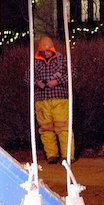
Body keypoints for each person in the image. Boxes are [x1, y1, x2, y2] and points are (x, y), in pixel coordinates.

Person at [32, 36, 74, 164]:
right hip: (42, 100)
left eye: (47, 50)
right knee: (46, 130)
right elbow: (26, 78)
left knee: (64, 129)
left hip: (60, 99)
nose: (45, 53)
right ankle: (52, 155)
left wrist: (57, 81)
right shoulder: (35, 62)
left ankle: (67, 155)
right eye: (43, 51)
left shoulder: (61, 59)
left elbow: (72, 73)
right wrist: (37, 82)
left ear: (52, 49)